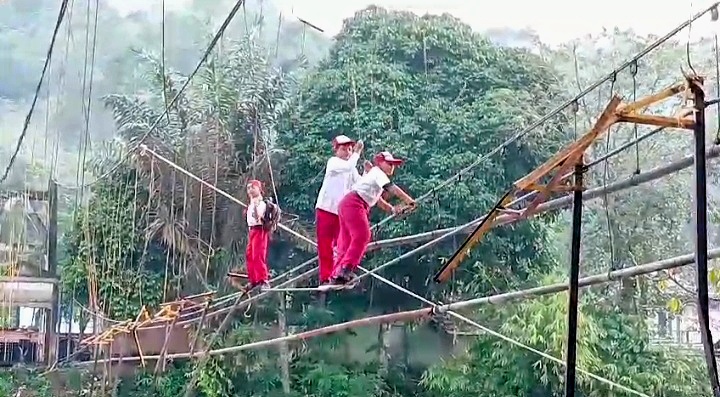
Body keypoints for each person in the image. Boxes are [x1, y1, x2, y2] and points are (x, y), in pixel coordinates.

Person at [331, 151, 416, 286]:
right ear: (379, 163)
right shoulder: (378, 173)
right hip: (354, 203)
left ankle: (336, 274)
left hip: (349, 204)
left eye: (393, 165)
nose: (392, 167)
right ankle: (346, 269)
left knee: (346, 242)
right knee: (362, 236)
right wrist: (410, 201)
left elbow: (378, 201)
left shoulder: (374, 176)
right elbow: (392, 188)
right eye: (389, 164)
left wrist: (392, 210)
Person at [315, 135, 366, 285]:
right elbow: (348, 166)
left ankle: (337, 274)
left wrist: (367, 173)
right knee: (325, 246)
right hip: (325, 209)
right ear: (336, 150)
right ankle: (325, 277)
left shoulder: (352, 169)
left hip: (340, 213)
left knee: (342, 245)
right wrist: (357, 153)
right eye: (344, 149)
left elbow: (361, 184)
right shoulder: (334, 162)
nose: (348, 152)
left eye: (350, 149)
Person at [245, 179, 270, 290]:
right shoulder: (251, 203)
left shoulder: (261, 204)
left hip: (259, 230)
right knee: (250, 255)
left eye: (252, 187)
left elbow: (258, 218)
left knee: (258, 255)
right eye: (248, 188)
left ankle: (263, 280)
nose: (250, 190)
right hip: (252, 231)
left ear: (259, 189)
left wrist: (254, 206)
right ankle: (254, 279)